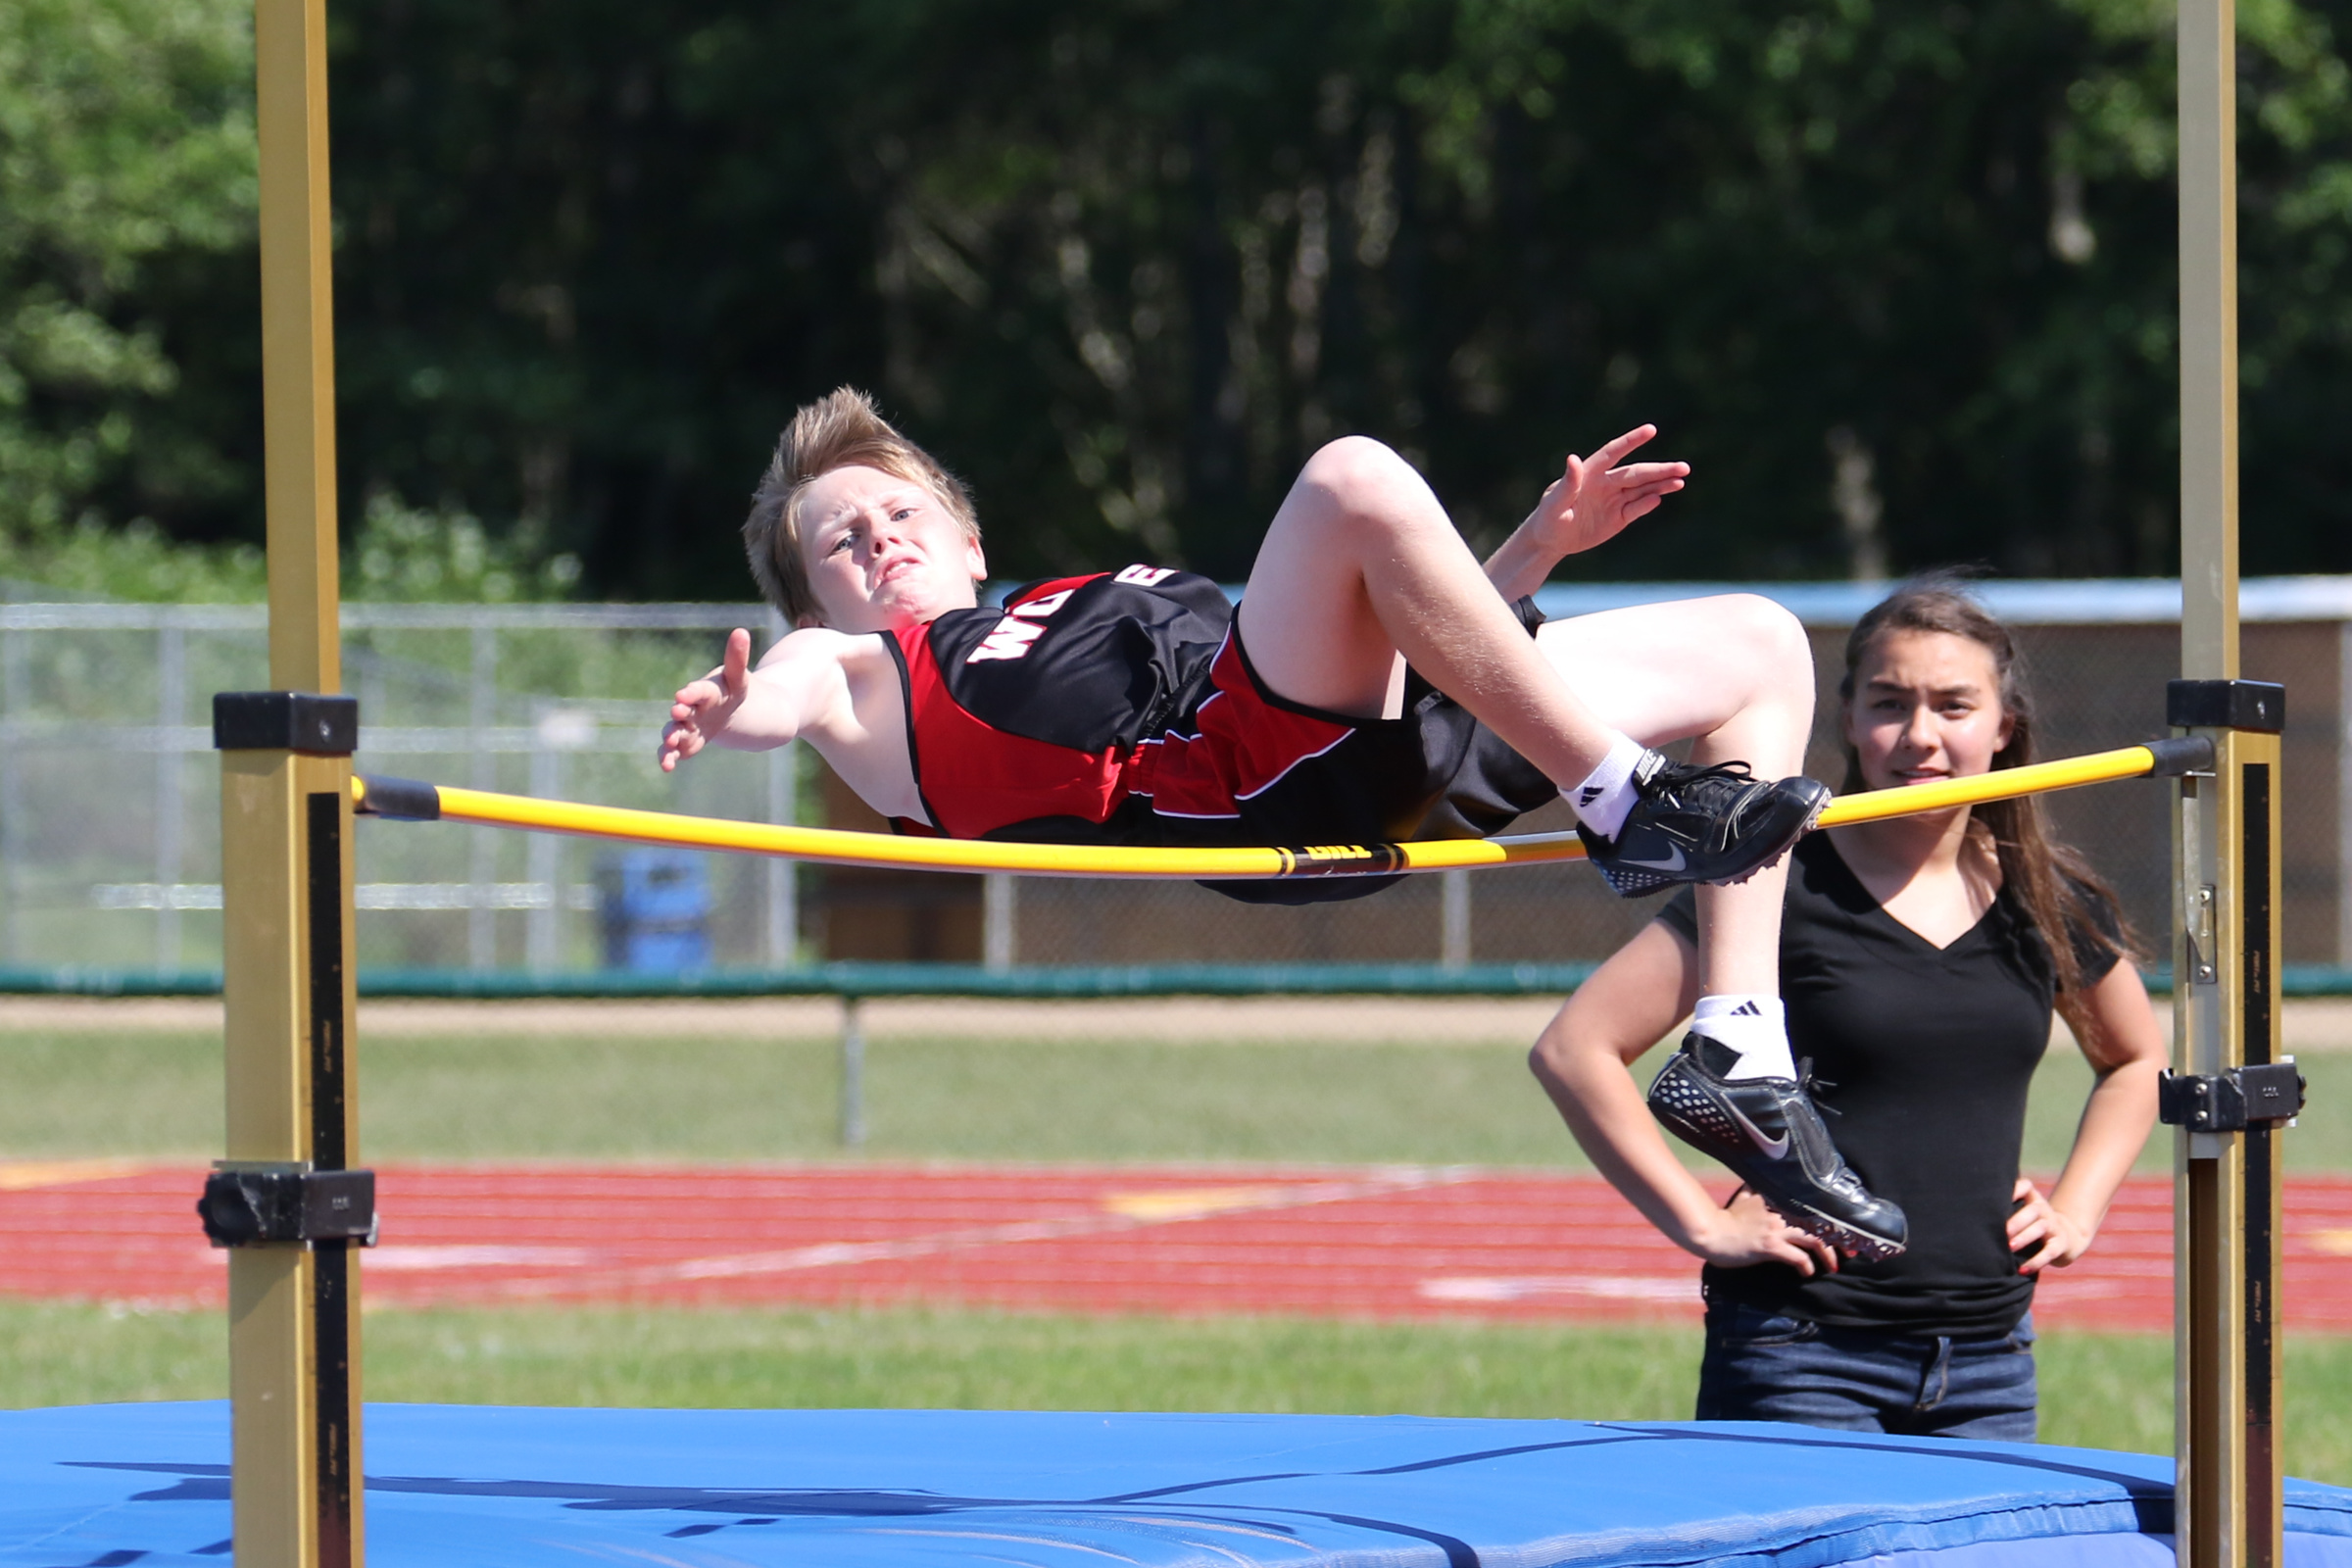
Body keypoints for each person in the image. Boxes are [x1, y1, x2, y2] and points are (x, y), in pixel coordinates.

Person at [660, 386, 1900, 1249]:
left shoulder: (1072, 601)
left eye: (900, 515)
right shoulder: (864, 679)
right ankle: (1627, 802)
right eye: (842, 543)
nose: (879, 541)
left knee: (1756, 644)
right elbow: (788, 691)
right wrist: (737, 707)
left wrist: (1528, 554)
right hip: (1245, 781)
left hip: (1348, 743)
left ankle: (1740, 1048)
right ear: (812, 603)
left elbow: (1400, 639)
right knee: (1349, 475)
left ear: (970, 542)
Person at [1529, 575, 2164, 1439]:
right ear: (1849, 719)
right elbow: (1576, 1049)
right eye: (1890, 703)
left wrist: (2078, 1209)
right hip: (1802, 1351)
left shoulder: (2045, 897)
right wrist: (1700, 1224)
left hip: (1989, 1357)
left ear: (2004, 727)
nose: (1920, 735)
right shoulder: (1773, 881)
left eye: (1953, 705)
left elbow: (2134, 1059)